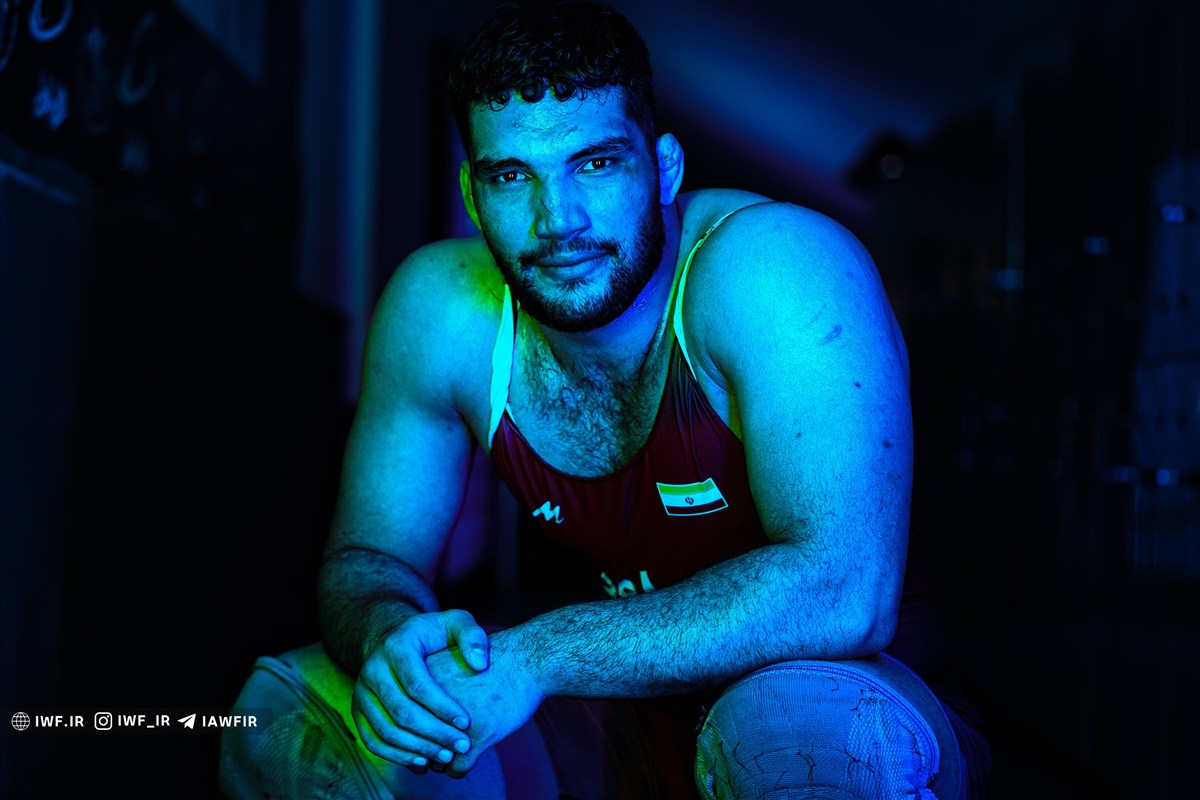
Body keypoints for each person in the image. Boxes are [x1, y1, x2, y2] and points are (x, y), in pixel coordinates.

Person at [220, 2, 991, 798]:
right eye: (511, 176)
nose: (559, 221)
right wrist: (391, 640)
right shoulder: (440, 310)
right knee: (286, 722)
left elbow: (845, 592)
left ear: (664, 169)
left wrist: (539, 656)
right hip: (617, 708)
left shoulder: (777, 267)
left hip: (861, 698)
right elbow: (368, 558)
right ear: (474, 195)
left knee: (793, 733)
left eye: (595, 163)